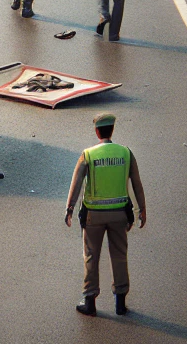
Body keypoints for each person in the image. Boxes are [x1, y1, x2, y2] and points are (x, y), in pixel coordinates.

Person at [65, 112, 146, 317]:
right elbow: (137, 183)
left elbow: (76, 184)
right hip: (120, 214)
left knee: (91, 257)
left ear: (96, 131)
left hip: (93, 216)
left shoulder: (88, 154)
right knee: (119, 256)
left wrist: (70, 208)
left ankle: (90, 302)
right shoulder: (126, 153)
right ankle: (120, 303)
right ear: (112, 130)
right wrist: (141, 209)